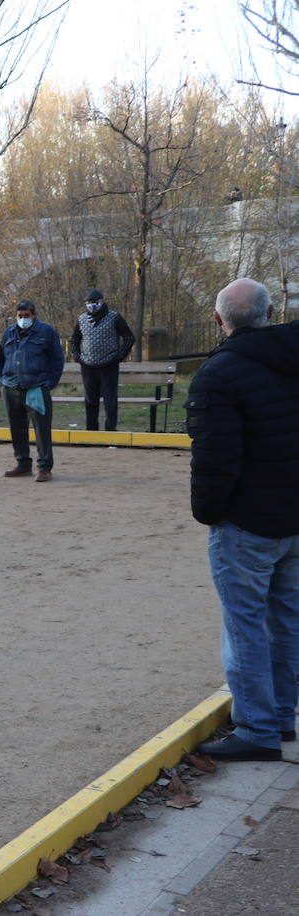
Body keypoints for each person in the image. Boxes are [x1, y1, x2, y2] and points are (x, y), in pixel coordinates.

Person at [187, 278, 299, 761]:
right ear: (270, 313)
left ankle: (257, 728)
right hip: (294, 513)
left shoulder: (219, 373)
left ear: (219, 320)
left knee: (246, 623)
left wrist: (208, 512)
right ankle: (281, 717)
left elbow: (215, 459)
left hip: (248, 519)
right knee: (287, 617)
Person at [0, 300, 64, 482]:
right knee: (17, 429)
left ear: (34, 315)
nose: (23, 319)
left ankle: (44, 467)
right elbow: (0, 358)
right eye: (20, 316)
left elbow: (57, 359)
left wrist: (48, 384)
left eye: (27, 316)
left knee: (41, 430)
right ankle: (23, 464)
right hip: (11, 387)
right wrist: (2, 379)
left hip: (36, 387)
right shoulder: (9, 332)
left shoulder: (47, 332)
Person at [69, 288, 136, 431]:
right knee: (90, 400)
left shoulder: (114, 317)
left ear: (102, 301)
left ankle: (111, 430)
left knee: (110, 401)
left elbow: (129, 337)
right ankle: (91, 431)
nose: (92, 305)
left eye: (95, 302)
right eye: (89, 302)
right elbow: (74, 340)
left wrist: (120, 356)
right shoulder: (81, 319)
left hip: (109, 364)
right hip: (88, 366)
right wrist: (77, 356)